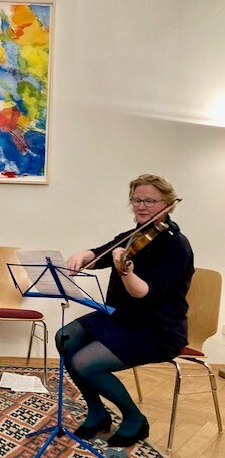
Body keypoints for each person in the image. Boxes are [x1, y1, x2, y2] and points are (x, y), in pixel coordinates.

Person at [60, 174, 193, 447]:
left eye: (150, 201)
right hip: (122, 317)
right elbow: (100, 254)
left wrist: (125, 271)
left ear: (167, 203)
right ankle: (97, 412)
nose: (141, 206)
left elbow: (143, 293)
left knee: (85, 363)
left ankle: (134, 419)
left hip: (156, 329)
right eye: (136, 200)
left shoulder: (175, 246)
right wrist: (82, 256)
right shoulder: (135, 235)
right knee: (65, 338)